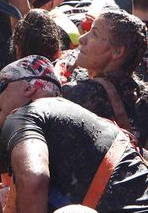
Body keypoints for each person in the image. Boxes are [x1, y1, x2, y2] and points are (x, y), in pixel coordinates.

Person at [0, 56, 148, 213]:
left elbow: (34, 179)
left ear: (28, 88)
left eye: (0, 87)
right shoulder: (75, 120)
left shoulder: (25, 115)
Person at [62, 11, 148, 146]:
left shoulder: (77, 95)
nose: (81, 39)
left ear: (118, 52)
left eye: (94, 34)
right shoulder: (142, 98)